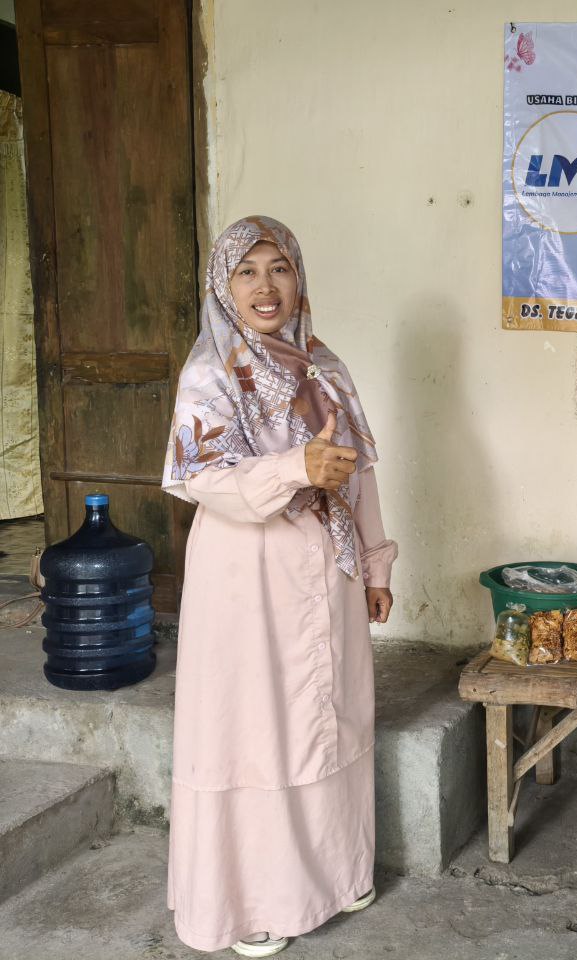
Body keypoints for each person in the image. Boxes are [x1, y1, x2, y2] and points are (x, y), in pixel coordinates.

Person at [161, 216, 397, 956]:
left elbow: (356, 473)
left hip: (327, 572)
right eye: (248, 272)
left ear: (299, 278)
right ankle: (251, 899)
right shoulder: (210, 372)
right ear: (223, 287)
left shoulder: (322, 364)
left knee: (332, 717)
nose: (267, 287)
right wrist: (296, 469)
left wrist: (376, 563)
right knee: (256, 731)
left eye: (280, 269)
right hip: (247, 581)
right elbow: (200, 478)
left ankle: (335, 872)